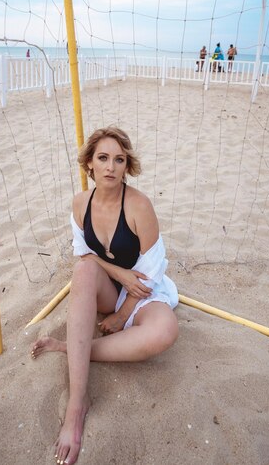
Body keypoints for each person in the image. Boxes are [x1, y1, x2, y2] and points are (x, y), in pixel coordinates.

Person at [31, 126, 179, 465]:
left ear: (127, 166)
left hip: (143, 292)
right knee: (82, 271)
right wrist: (118, 273)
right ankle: (77, 403)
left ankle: (73, 348)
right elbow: (85, 256)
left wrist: (122, 315)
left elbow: (151, 274)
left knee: (165, 330)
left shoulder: (139, 205)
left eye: (119, 159)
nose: (111, 166)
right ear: (89, 165)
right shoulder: (80, 204)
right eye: (103, 158)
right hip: (110, 286)